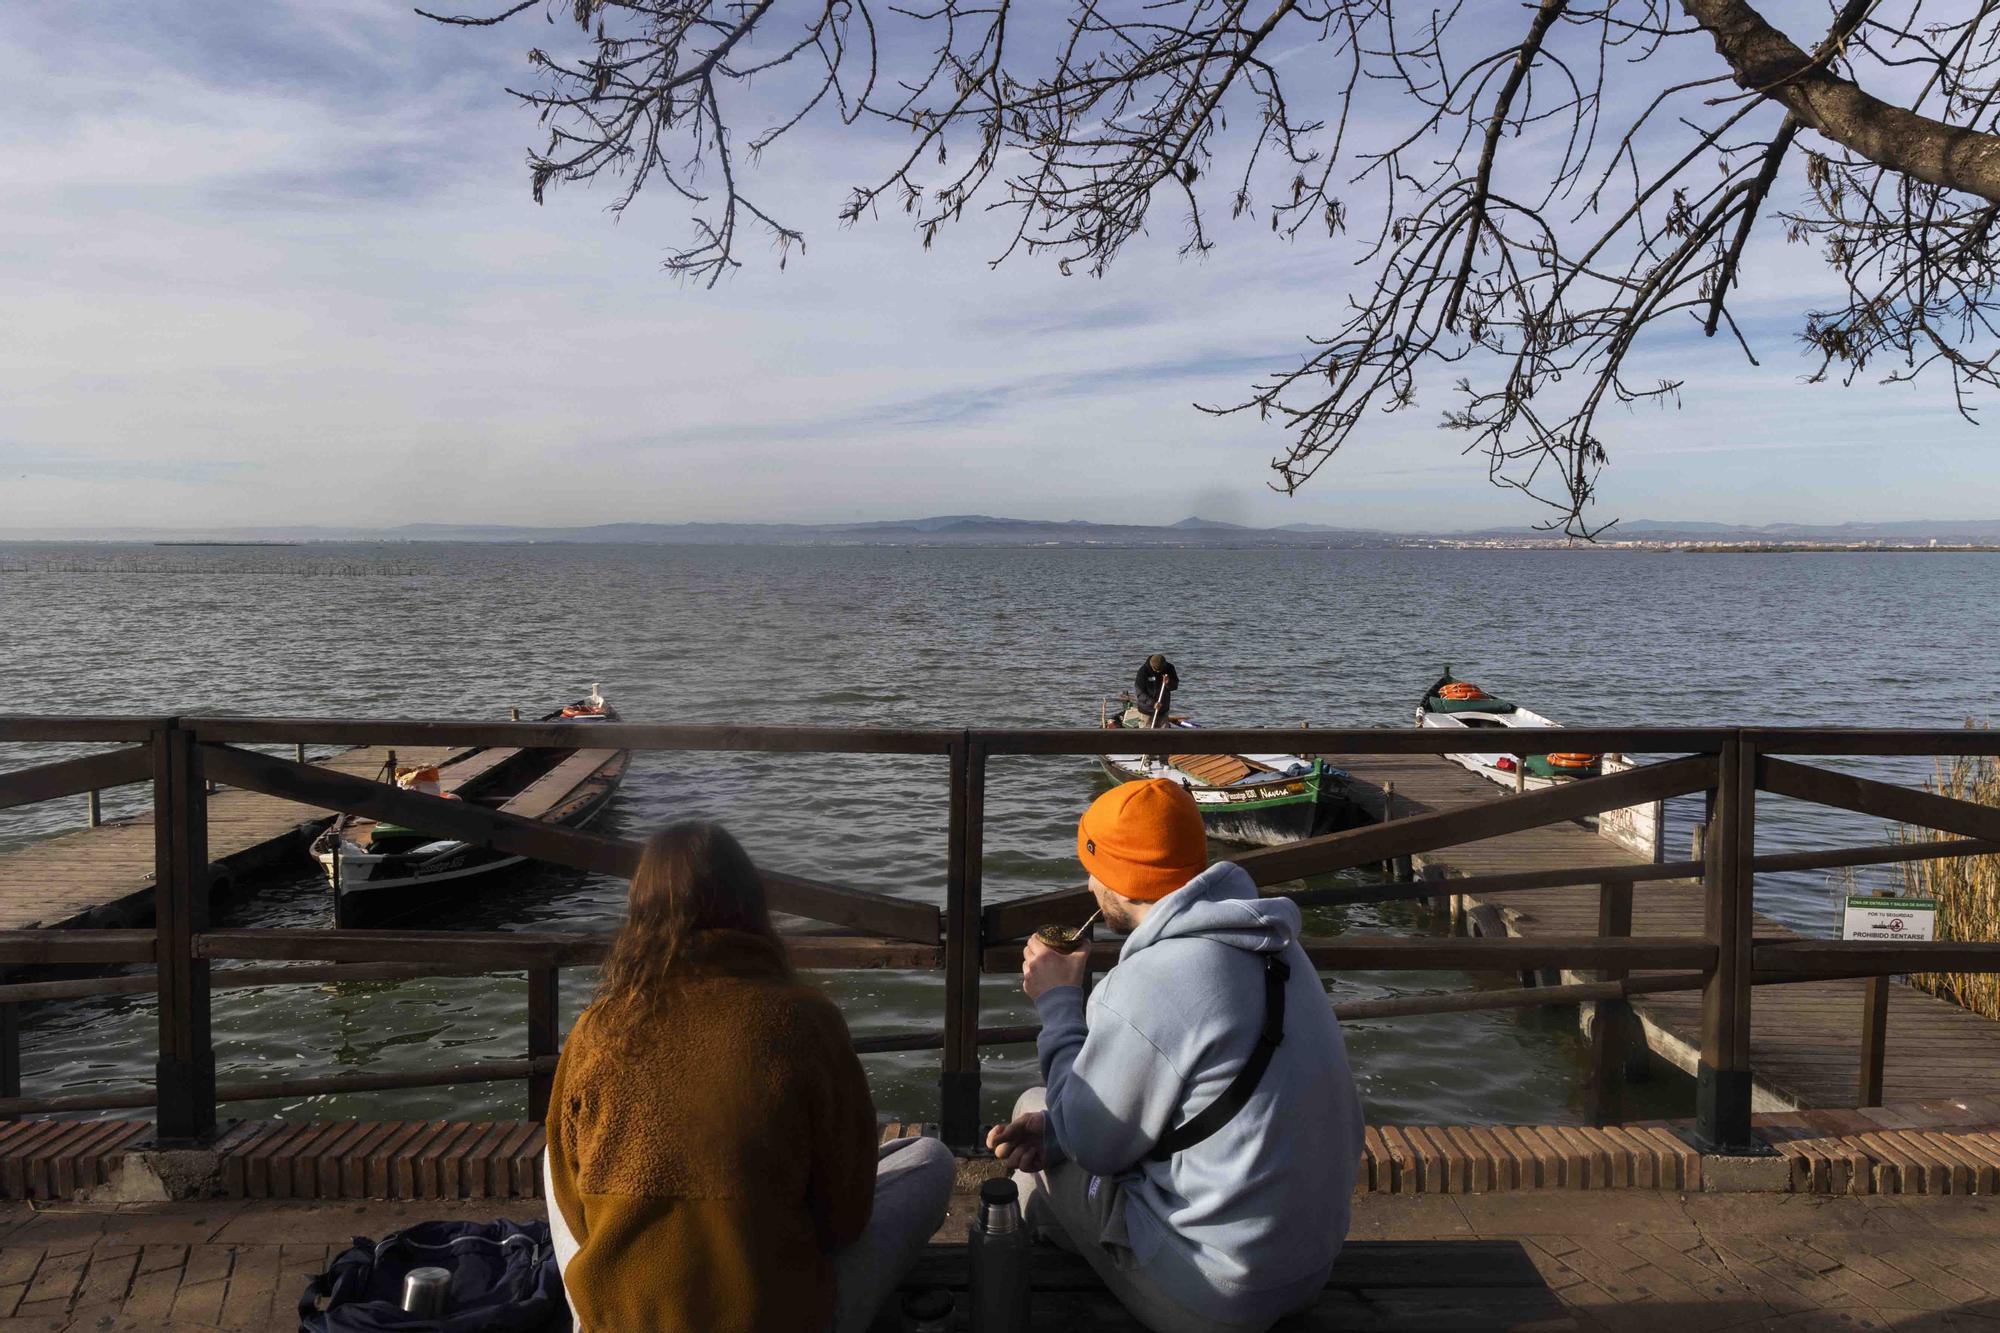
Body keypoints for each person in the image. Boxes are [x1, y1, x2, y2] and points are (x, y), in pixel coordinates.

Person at [543, 822, 955, 1333]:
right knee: (930, 1159)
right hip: (778, 1319)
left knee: (555, 1152)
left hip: (618, 1320)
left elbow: (575, 1211)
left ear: (639, 916)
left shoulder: (597, 1028)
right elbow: (844, 1222)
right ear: (753, 906)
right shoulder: (805, 1020)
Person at [986, 780, 1364, 1333]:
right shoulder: (1272, 942)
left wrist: (1059, 1001)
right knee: (1054, 1129)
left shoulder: (1147, 984)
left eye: (1093, 870)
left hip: (1217, 1295)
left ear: (1119, 876)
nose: (1089, 885)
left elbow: (1093, 1146)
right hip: (1309, 1267)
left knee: (1037, 1119)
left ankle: (1013, 1278)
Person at [1129, 653, 1180, 727]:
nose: (1158, 672)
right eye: (1156, 670)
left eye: (1160, 670)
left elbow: (1174, 686)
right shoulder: (1143, 672)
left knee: (1164, 735)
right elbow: (1140, 693)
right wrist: (1153, 703)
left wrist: (1168, 683)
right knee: (1146, 735)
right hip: (1146, 711)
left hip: (1163, 711)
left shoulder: (1169, 668)